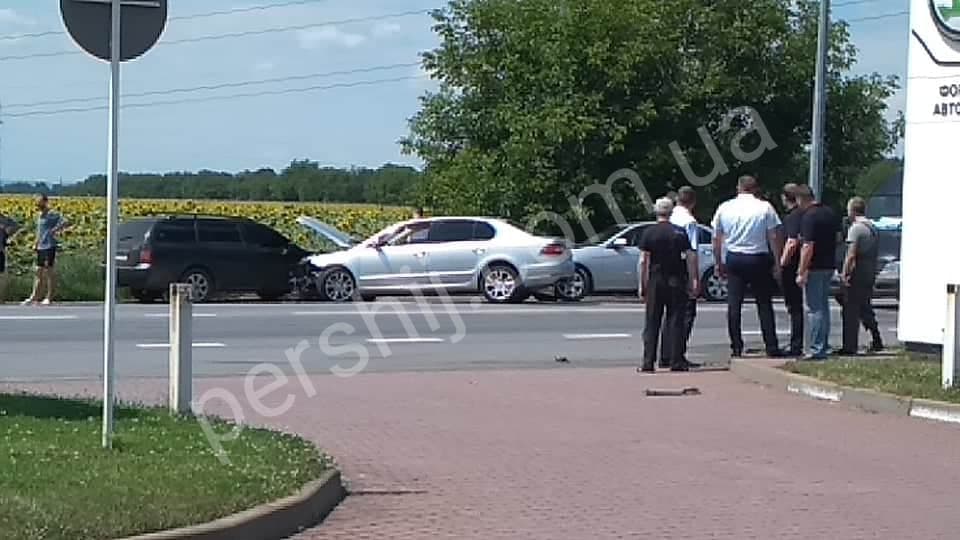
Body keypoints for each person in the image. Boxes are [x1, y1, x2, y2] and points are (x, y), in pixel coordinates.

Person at [711, 175, 784, 358]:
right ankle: (771, 345)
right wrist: (777, 262)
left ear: (738, 188)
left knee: (734, 304)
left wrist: (719, 262)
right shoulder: (764, 207)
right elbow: (773, 236)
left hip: (735, 257)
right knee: (764, 304)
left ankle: (736, 346)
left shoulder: (725, 207)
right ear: (755, 188)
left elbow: (717, 238)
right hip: (758, 257)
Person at [639, 197, 699, 372]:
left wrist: (642, 284)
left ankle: (648, 362)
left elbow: (644, 261)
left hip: (655, 280)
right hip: (676, 279)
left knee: (652, 321)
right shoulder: (679, 232)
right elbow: (690, 257)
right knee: (676, 320)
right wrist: (693, 279)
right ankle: (676, 360)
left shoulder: (649, 233)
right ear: (671, 212)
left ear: (656, 212)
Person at [794, 185, 842, 360]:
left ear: (801, 199)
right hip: (828, 265)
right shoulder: (829, 213)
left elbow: (808, 246)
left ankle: (816, 349)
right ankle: (824, 345)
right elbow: (838, 238)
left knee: (814, 309)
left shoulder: (809, 217)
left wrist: (801, 270)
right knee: (823, 307)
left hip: (814, 266)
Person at [659, 186, 701, 369]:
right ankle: (678, 354)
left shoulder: (670, 216)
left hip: (661, 269)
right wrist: (695, 279)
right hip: (680, 269)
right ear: (693, 202)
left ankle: (665, 354)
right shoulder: (690, 222)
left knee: (668, 315)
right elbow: (691, 252)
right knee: (685, 314)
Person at [837, 196, 884, 354]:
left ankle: (849, 346)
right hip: (869, 271)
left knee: (850, 310)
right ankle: (876, 338)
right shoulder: (872, 227)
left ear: (852, 211)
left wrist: (844, 274)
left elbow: (851, 254)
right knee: (864, 306)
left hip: (857, 273)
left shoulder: (856, 229)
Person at [22, 194, 69, 306]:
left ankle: (49, 297)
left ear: (45, 202)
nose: (37, 203)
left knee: (49, 272)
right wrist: (36, 243)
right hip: (41, 246)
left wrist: (55, 230)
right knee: (38, 272)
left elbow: (66, 221)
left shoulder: (51, 214)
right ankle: (34, 297)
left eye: (39, 201)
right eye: (36, 201)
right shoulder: (39, 215)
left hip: (49, 246)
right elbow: (39, 230)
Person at [778, 183, 806, 357]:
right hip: (805, 264)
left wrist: (781, 263)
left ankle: (796, 345)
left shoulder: (792, 217)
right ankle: (800, 342)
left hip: (793, 265)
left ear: (785, 198)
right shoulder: (806, 214)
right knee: (802, 306)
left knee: (795, 307)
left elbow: (791, 241)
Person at [0, 214, 20, 303]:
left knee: (1, 275)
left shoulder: (4, 219)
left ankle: (0, 297)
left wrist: (8, 234)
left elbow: (16, 227)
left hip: (0, 250)